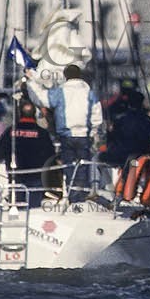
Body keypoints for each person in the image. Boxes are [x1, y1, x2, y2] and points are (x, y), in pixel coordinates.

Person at [0, 97, 57, 208]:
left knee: (17, 207)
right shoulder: (42, 134)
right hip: (36, 176)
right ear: (34, 114)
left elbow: (0, 150)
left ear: (20, 113)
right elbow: (51, 155)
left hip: (16, 176)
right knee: (33, 210)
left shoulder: (11, 131)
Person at [44, 64, 101, 203]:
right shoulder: (89, 92)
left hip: (66, 134)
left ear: (66, 76)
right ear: (80, 75)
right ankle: (81, 197)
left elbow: (48, 102)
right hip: (84, 135)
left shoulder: (60, 91)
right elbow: (96, 113)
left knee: (69, 165)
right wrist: (93, 131)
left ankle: (71, 195)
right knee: (83, 165)